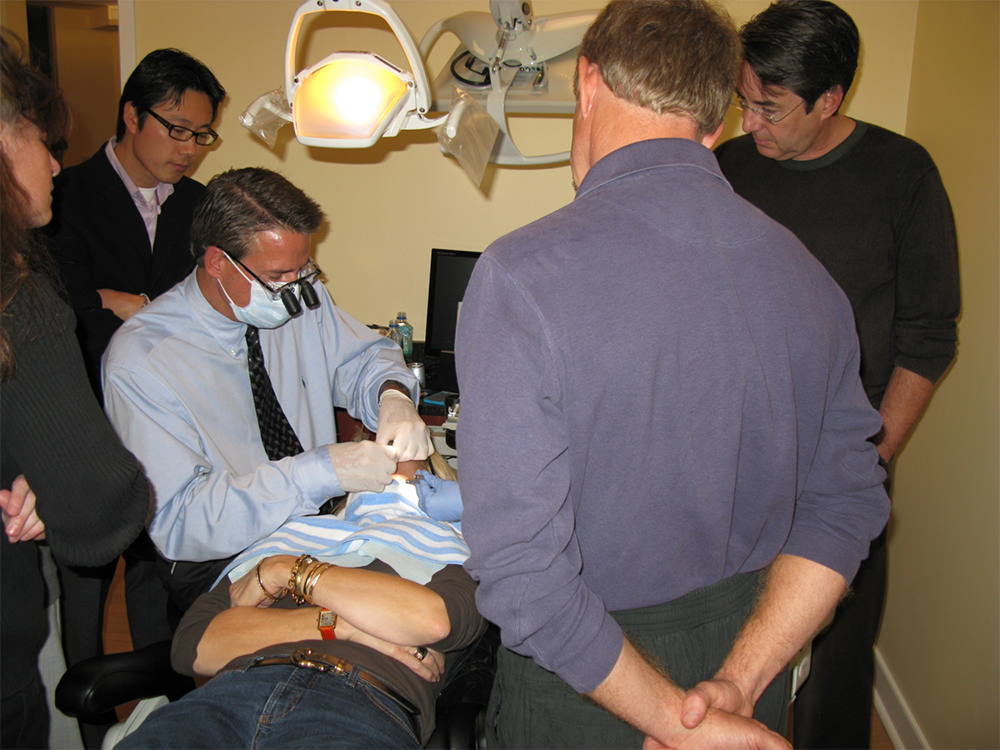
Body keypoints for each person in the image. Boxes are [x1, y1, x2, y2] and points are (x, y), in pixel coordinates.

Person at [455, 1, 890, 748]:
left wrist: (674, 725)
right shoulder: (810, 280)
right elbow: (847, 505)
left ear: (587, 81)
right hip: (749, 660)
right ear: (715, 121)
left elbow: (526, 575)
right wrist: (740, 685)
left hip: (589, 684)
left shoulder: (522, 276)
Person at [713, 2, 960, 748]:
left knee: (836, 674)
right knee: (727, 649)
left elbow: (927, 339)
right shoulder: (725, 170)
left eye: (770, 108)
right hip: (733, 462)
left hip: (844, 465)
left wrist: (869, 459)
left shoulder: (902, 174)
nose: (749, 124)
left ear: (831, 100)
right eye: (741, 102)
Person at [103, 166, 432, 612]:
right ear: (218, 262)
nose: (296, 288)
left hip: (315, 526)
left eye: (303, 269)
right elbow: (183, 520)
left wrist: (391, 394)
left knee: (432, 586)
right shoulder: (143, 362)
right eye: (278, 275)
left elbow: (361, 357)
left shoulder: (297, 296)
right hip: (222, 555)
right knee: (376, 631)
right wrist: (318, 472)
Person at [112, 459, 485, 750]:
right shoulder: (286, 536)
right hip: (232, 695)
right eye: (375, 442)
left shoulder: (456, 552)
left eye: (410, 453)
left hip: (360, 703)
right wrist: (345, 626)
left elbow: (432, 620)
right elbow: (194, 645)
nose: (390, 455)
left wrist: (287, 571)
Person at [0, 28, 150, 750]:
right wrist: (61, 480)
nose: (55, 163)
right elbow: (102, 512)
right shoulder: (19, 300)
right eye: (41, 141)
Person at [49, 48, 225, 400]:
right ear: (132, 116)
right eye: (178, 129)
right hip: (95, 400)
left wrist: (135, 306)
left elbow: (216, 313)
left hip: (188, 396)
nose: (190, 150)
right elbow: (71, 321)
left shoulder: (200, 202)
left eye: (202, 134)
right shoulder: (62, 198)